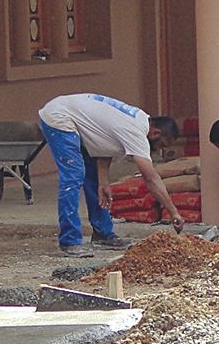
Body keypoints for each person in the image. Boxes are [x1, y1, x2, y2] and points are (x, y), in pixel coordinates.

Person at [38, 94, 182, 258]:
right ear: (155, 133)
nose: (159, 151)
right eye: (161, 145)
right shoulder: (135, 131)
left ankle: (103, 234)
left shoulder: (139, 119)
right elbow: (151, 178)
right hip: (59, 117)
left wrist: (103, 181)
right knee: (73, 176)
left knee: (91, 177)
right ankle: (69, 241)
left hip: (71, 115)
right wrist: (173, 212)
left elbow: (104, 142)